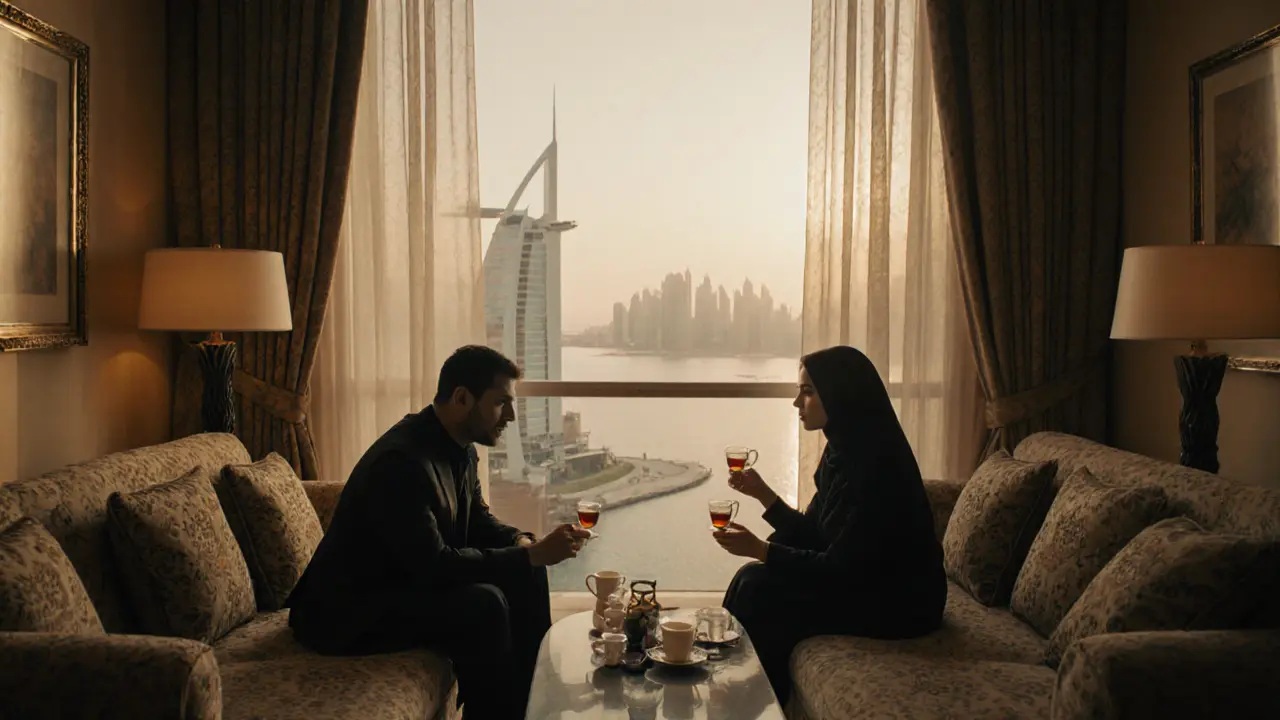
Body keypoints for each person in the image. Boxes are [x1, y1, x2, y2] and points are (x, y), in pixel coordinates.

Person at [287, 345, 590, 720]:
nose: (511, 415)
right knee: (485, 604)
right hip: (347, 611)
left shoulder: (460, 447)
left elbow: (478, 521)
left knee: (527, 568)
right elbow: (433, 565)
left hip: (399, 584)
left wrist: (521, 543)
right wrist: (529, 554)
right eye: (501, 403)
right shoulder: (401, 463)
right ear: (462, 398)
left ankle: (533, 705)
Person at [712, 345, 946, 706]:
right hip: (862, 582)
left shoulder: (876, 467)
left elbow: (840, 568)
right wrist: (764, 495)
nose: (797, 403)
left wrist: (763, 549)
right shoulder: (842, 450)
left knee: (760, 588)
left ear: (840, 394)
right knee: (750, 577)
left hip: (900, 602)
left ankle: (751, 702)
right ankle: (732, 688)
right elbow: (816, 533)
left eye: (807, 392)